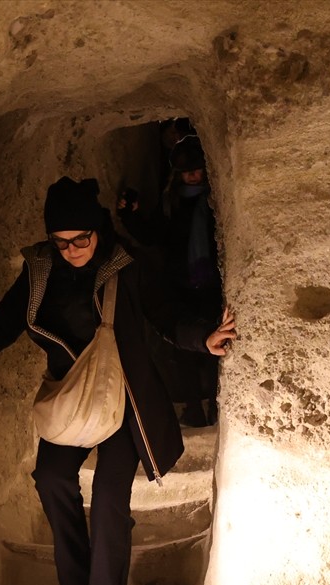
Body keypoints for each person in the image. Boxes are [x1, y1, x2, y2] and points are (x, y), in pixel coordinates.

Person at [0, 177, 237, 585]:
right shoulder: (40, 270)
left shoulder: (125, 267)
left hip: (123, 401)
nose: (73, 250)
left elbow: (165, 315)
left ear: (98, 230)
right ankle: (77, 584)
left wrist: (204, 338)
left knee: (109, 500)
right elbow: (3, 321)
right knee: (51, 478)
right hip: (71, 398)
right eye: (62, 242)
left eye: (81, 239)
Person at [117, 135, 223, 426]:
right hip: (180, 285)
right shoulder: (171, 204)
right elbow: (153, 235)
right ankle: (193, 407)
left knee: (215, 347)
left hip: (211, 287)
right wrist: (130, 216)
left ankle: (216, 405)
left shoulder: (214, 201)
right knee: (184, 348)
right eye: (187, 172)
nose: (192, 176)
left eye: (196, 170)